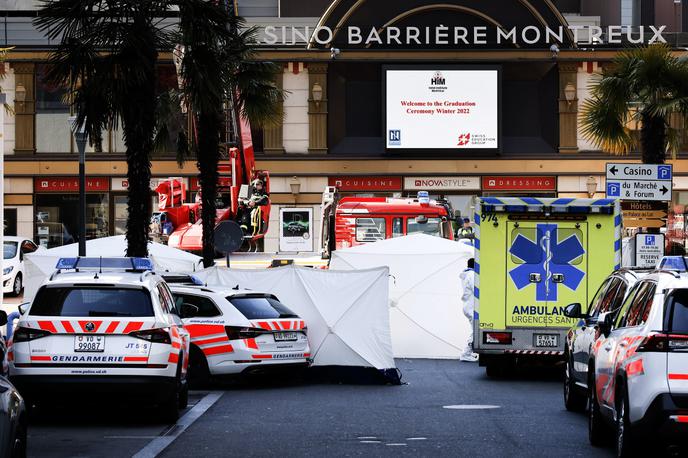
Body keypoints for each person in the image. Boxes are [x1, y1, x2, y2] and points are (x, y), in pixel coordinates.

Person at [460, 258, 479, 362]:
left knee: (474, 330)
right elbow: (476, 288)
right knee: (475, 331)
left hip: (468, 306)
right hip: (472, 307)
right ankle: (466, 353)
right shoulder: (471, 275)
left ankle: (468, 353)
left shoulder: (466, 275)